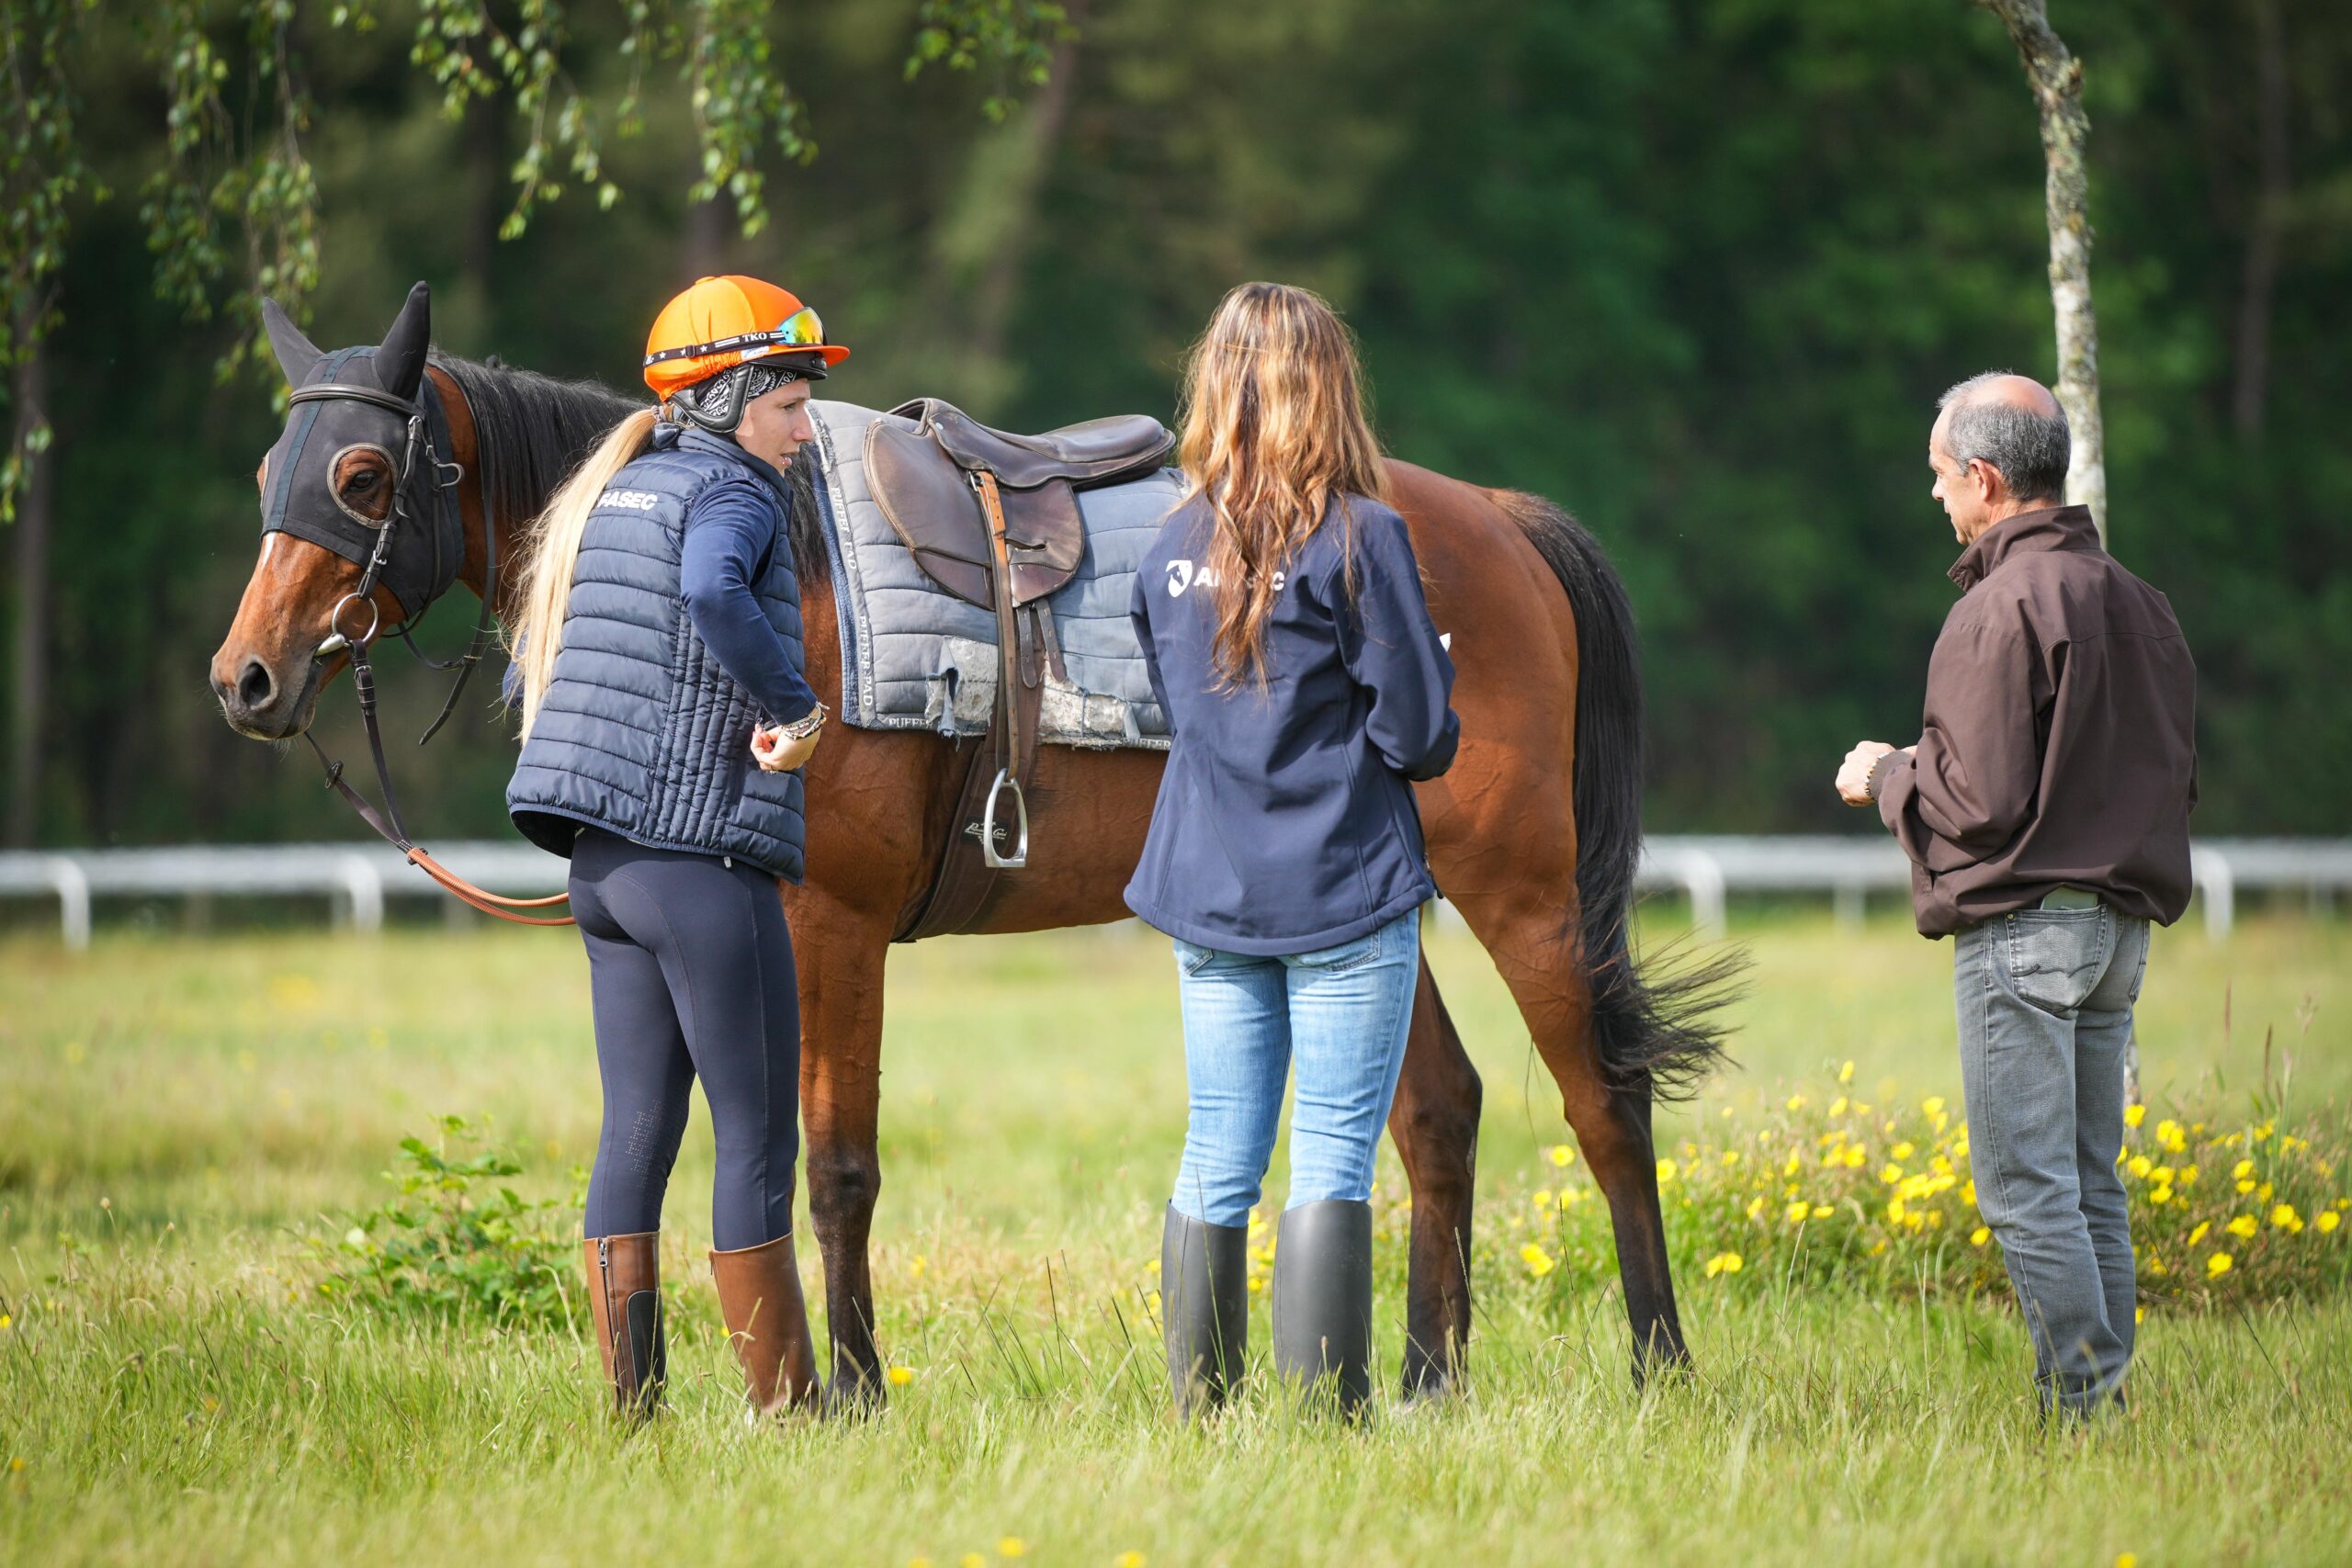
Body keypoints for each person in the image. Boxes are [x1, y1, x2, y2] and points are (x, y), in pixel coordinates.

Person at [505, 275, 849, 1424]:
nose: (805, 430)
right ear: (732, 400)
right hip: (698, 864)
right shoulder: (734, 491)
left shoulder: (620, 490)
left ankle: (633, 1413)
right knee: (753, 1138)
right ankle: (787, 1411)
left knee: (637, 1135)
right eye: (790, 404)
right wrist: (795, 708)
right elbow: (711, 590)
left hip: (603, 873)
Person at [1836, 372, 2197, 1420]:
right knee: (2089, 1184)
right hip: (2120, 933)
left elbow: (1978, 804)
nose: (1935, 495)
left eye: (1941, 475)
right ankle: (2103, 1405)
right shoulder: (2144, 603)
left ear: (1986, 479)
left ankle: (2085, 1408)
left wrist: (1886, 774)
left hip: (2026, 936)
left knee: (2026, 1191)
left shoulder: (1997, 607)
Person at [1128, 282, 1460, 1418]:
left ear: (1216, 387)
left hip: (1208, 886)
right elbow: (1418, 736)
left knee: (1216, 1149)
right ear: (1329, 389)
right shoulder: (1365, 537)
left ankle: (1204, 1415)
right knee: (1331, 1150)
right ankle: (1327, 1416)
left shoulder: (1168, 544)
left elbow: (1177, 708)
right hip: (1342, 884)